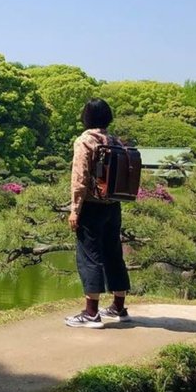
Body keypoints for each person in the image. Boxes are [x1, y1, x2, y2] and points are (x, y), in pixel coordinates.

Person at [65, 98, 132, 329]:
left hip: (92, 206)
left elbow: (80, 177)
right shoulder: (114, 140)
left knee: (89, 255)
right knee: (114, 253)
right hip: (113, 205)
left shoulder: (85, 140)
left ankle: (91, 313)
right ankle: (118, 307)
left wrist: (75, 209)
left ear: (86, 116)